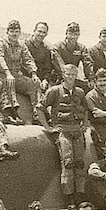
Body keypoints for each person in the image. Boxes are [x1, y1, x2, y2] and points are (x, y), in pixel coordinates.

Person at [39, 61, 90, 199]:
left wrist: (84, 124)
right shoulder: (54, 91)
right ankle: (69, 197)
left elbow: (85, 110)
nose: (71, 77)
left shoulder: (79, 92)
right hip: (63, 130)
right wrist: (48, 127)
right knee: (68, 163)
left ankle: (79, 194)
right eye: (68, 74)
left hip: (77, 131)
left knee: (79, 163)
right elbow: (40, 108)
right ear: (63, 75)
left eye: (73, 74)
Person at [0, 19, 42, 119]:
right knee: (8, 83)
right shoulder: (0, 43)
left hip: (15, 74)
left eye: (16, 32)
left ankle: (37, 113)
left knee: (34, 84)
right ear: (7, 32)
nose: (14, 34)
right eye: (12, 31)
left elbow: (28, 59)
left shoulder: (21, 45)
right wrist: (7, 73)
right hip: (1, 74)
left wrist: (33, 74)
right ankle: (10, 113)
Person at [27, 21, 61, 88]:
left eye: (44, 32)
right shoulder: (25, 45)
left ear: (46, 34)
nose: (41, 34)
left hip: (40, 78)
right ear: (34, 31)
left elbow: (47, 67)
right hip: (27, 76)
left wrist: (45, 79)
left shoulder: (46, 49)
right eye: (39, 31)